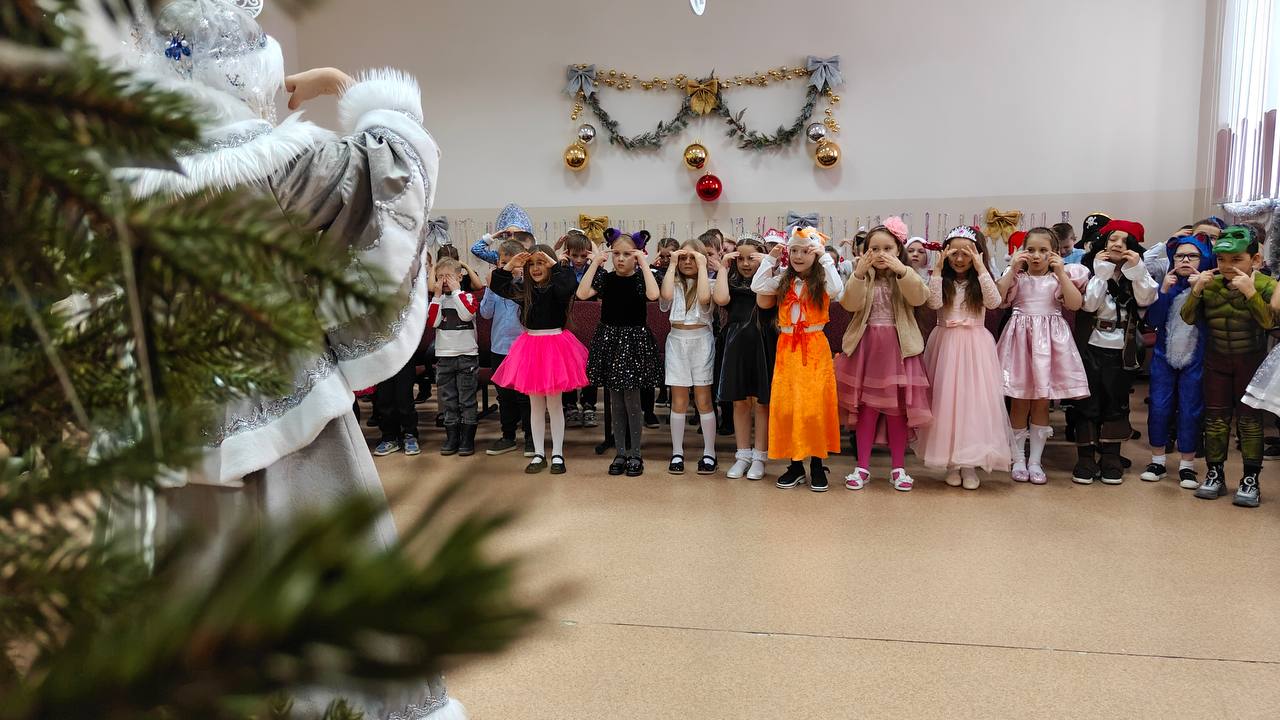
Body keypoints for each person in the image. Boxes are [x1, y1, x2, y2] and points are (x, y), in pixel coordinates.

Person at [124, 1, 463, 716]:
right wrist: (345, 85)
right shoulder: (279, 163)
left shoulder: (120, 179)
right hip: (288, 404)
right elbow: (393, 176)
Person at [835, 218, 932, 492]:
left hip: (898, 351)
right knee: (865, 410)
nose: (880, 254)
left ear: (898, 250)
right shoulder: (862, 276)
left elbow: (919, 298)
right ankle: (862, 467)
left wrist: (903, 271)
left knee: (897, 411)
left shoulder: (906, 275)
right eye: (874, 249)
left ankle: (898, 467)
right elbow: (849, 303)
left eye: (887, 248)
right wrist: (857, 275)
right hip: (866, 350)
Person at [1183, 226, 1277, 507]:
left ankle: (1251, 479)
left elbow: (1269, 324)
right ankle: (1215, 473)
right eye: (1221, 259)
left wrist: (1250, 293)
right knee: (1215, 420)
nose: (1227, 266)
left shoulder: (1268, 285)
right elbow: (1188, 318)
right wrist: (1196, 291)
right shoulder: (1210, 283)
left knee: (1249, 421)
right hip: (1216, 360)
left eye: (1236, 259)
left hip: (1251, 361)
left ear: (1255, 259)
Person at [914, 227, 1010, 489]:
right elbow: (934, 303)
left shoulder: (981, 280)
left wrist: (981, 268)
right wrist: (936, 271)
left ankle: (969, 464)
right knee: (946, 402)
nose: (959, 259)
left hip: (976, 347)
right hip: (946, 344)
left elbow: (994, 302)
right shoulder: (941, 279)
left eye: (966, 253)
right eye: (953, 253)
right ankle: (952, 463)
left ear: (977, 254)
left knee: (972, 403)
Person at [751, 227, 844, 490]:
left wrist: (825, 258)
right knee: (789, 405)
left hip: (814, 348)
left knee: (814, 407)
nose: (798, 256)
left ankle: (817, 464)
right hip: (787, 348)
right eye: (793, 250)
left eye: (805, 251)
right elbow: (757, 286)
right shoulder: (783, 279)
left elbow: (837, 289)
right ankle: (795, 465)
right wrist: (770, 259)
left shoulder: (822, 280)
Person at [996, 227, 1090, 485]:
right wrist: (1012, 269)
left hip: (1049, 344)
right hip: (1019, 342)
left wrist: (1061, 273)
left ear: (1055, 253)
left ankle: (1035, 461)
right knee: (1019, 401)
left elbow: (1075, 304)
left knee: (1041, 401)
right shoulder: (1016, 277)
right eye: (1031, 250)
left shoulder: (1063, 276)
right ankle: (1018, 458)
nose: (1036, 256)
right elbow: (997, 299)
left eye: (1043, 251)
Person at [1069, 220, 1159, 484]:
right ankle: (1086, 457)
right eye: (1112, 239)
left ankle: (1111, 456)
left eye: (1124, 240)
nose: (1118, 244)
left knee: (1117, 402)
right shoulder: (1089, 270)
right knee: (1087, 402)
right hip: (1091, 344)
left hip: (1122, 347)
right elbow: (1089, 305)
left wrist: (1136, 270)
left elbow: (1146, 299)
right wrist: (1102, 272)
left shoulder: (1138, 274)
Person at [490, 245, 589, 475]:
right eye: (532, 264)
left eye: (540, 263)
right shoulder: (523, 291)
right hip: (531, 348)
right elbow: (497, 285)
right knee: (535, 406)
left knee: (554, 405)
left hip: (555, 347)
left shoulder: (558, 289)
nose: (535, 268)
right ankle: (538, 453)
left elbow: (569, 285)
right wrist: (510, 265)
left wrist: (554, 265)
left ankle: (558, 454)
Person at [577, 234, 661, 477]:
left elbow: (654, 295)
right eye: (616, 254)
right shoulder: (606, 278)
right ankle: (620, 452)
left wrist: (643, 263)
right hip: (610, 341)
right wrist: (595, 263)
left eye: (627, 254)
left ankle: (636, 453)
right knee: (615, 401)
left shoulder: (641, 278)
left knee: (632, 400)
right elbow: (582, 294)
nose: (621, 259)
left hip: (633, 342)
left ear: (636, 255)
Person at [1143, 232, 1215, 489]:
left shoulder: (1211, 287)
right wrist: (1163, 290)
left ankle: (1187, 466)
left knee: (1190, 409)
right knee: (1159, 406)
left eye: (1192, 256)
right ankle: (1157, 461)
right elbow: (1153, 321)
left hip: (1196, 357)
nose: (1185, 260)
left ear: (1203, 259)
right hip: (1163, 357)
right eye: (1180, 256)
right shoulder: (1166, 285)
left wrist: (1199, 289)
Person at [713, 236, 777, 480]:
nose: (746, 263)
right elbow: (721, 299)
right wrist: (722, 268)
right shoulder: (730, 280)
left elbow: (768, 301)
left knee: (761, 403)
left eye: (752, 258)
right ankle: (742, 455)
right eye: (740, 258)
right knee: (740, 402)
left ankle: (760, 457)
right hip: (736, 344)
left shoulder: (770, 279)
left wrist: (768, 264)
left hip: (763, 343)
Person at [660, 242, 717, 474]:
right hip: (677, 342)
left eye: (692, 257)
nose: (687, 262)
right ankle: (677, 452)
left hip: (701, 341)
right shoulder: (672, 283)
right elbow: (664, 296)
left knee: (703, 400)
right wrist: (672, 263)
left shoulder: (709, 283)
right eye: (683, 257)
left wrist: (703, 266)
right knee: (679, 401)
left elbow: (703, 299)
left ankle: (709, 453)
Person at [480, 238, 534, 457]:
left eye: (514, 263)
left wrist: (519, 280)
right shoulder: (495, 286)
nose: (509, 267)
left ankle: (531, 437)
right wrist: (491, 288)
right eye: (504, 263)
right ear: (498, 263)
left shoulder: (527, 285)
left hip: (523, 348)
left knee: (525, 396)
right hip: (499, 348)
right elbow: (485, 314)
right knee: (504, 395)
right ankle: (508, 436)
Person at [428, 258, 483, 456]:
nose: (444, 281)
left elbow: (467, 315)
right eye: (440, 277)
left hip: (467, 356)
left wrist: (457, 291)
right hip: (444, 357)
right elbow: (433, 322)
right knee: (448, 400)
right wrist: (436, 297)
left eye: (448, 276)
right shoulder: (438, 300)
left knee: (467, 399)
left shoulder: (467, 296)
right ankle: (452, 437)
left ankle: (467, 439)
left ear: (459, 277)